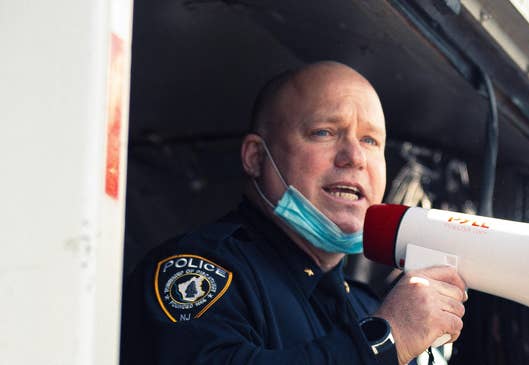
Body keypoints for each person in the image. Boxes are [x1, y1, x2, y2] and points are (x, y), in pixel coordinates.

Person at [121, 61, 468, 365]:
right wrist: (386, 340)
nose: (354, 157)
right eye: (324, 133)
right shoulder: (199, 271)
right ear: (256, 157)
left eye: (370, 141)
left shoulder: (368, 305)